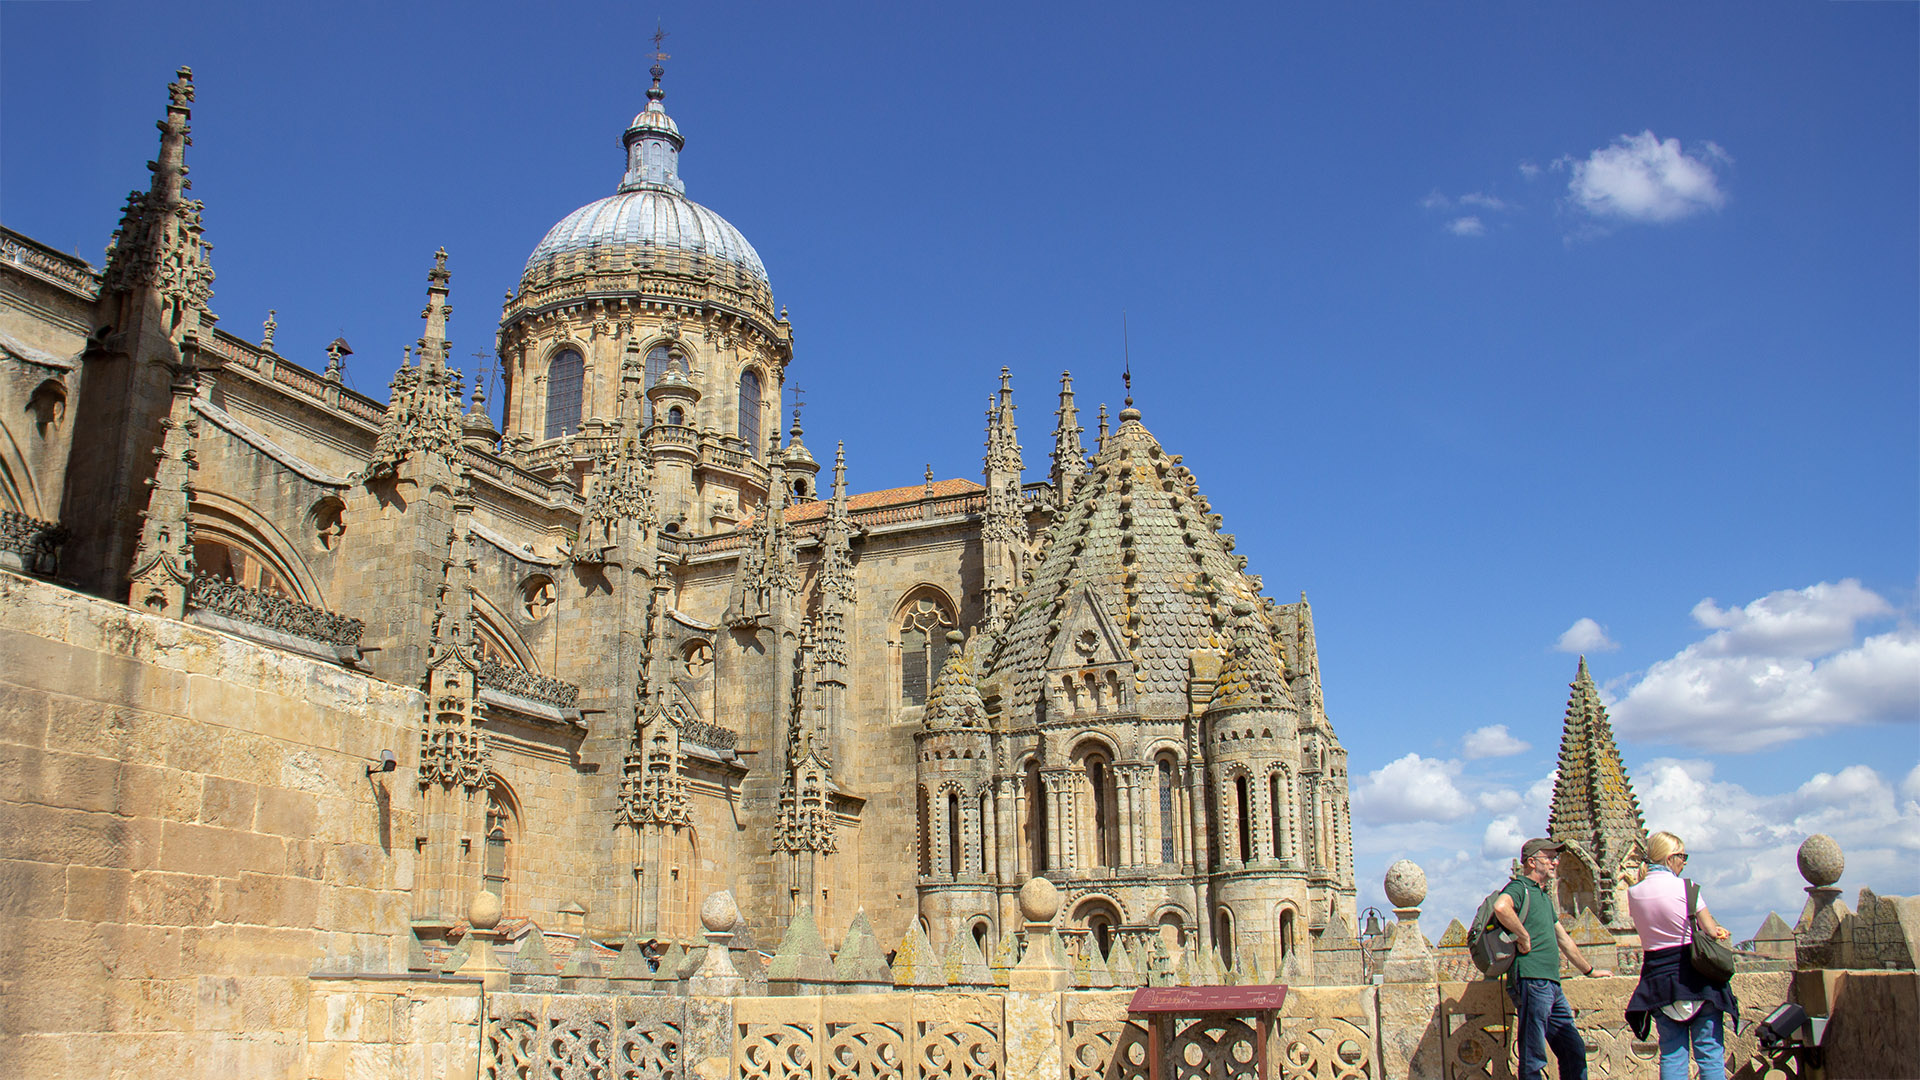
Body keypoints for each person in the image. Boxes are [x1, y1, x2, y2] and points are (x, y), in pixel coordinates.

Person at [1492, 838, 1613, 1080]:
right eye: (1549, 858)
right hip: (1531, 979)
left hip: (1551, 985)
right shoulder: (1520, 888)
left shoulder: (1543, 898)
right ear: (1532, 861)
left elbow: (1565, 940)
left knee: (1574, 1050)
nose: (1555, 862)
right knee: (1533, 1054)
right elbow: (1501, 907)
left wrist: (1590, 971)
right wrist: (1523, 936)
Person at [1626, 831, 1739, 1080]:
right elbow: (1709, 929)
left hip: (1658, 982)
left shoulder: (1633, 893)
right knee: (1709, 1054)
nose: (1684, 862)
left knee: (1671, 1055)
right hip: (1696, 979)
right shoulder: (1687, 888)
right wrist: (1718, 931)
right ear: (1670, 858)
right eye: (1682, 856)